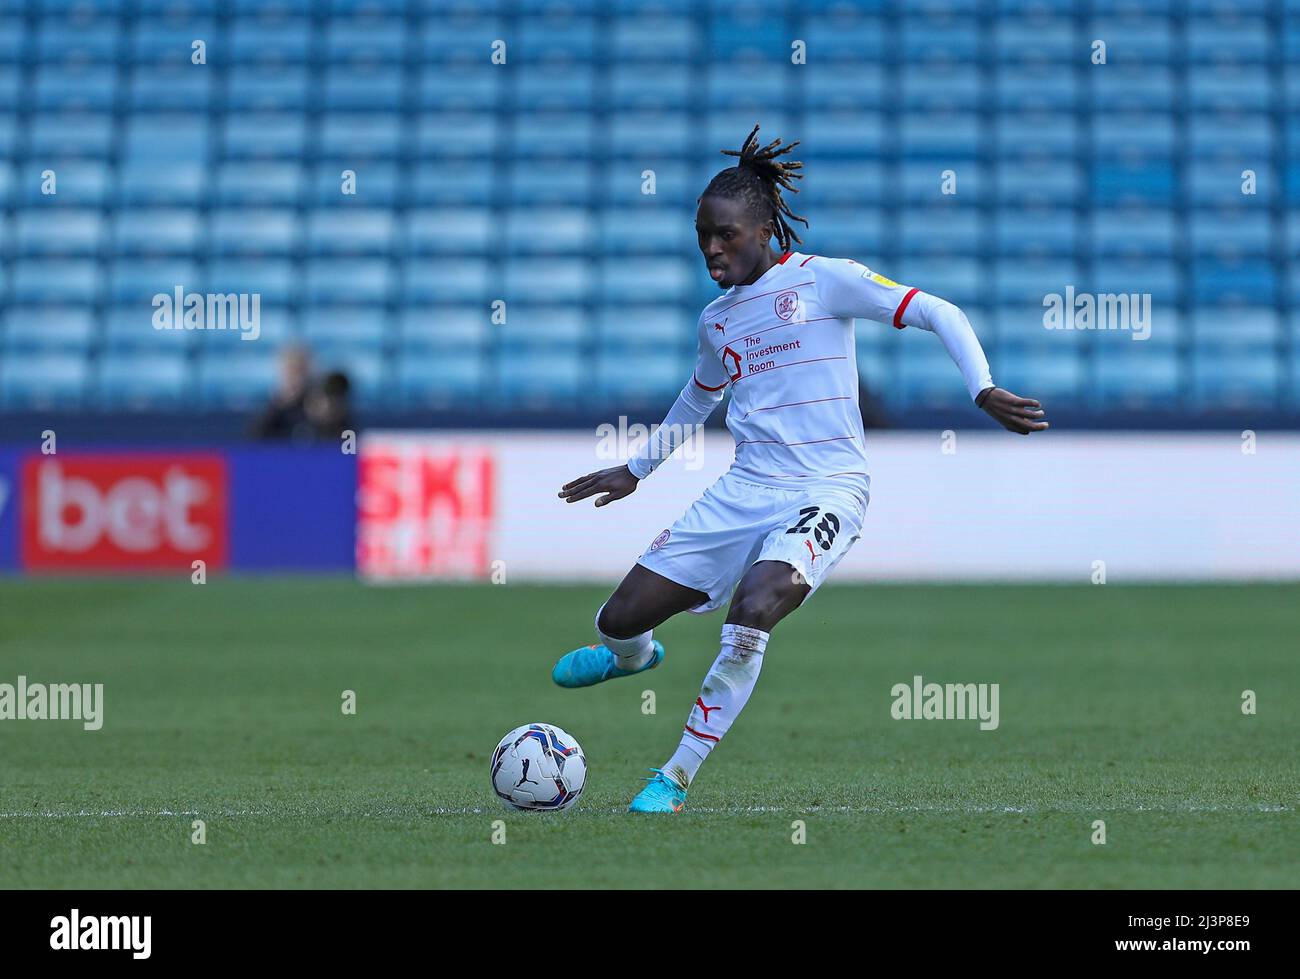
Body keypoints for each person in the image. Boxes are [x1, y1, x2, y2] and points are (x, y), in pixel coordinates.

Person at [552, 125, 1049, 813]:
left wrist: (982, 388)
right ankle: (633, 657)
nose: (711, 249)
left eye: (725, 235)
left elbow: (938, 310)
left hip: (826, 489)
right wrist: (636, 469)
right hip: (744, 489)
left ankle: (675, 773)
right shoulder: (716, 322)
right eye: (702, 237)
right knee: (615, 618)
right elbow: (697, 398)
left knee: (752, 610)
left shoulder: (824, 280)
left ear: (763, 229)